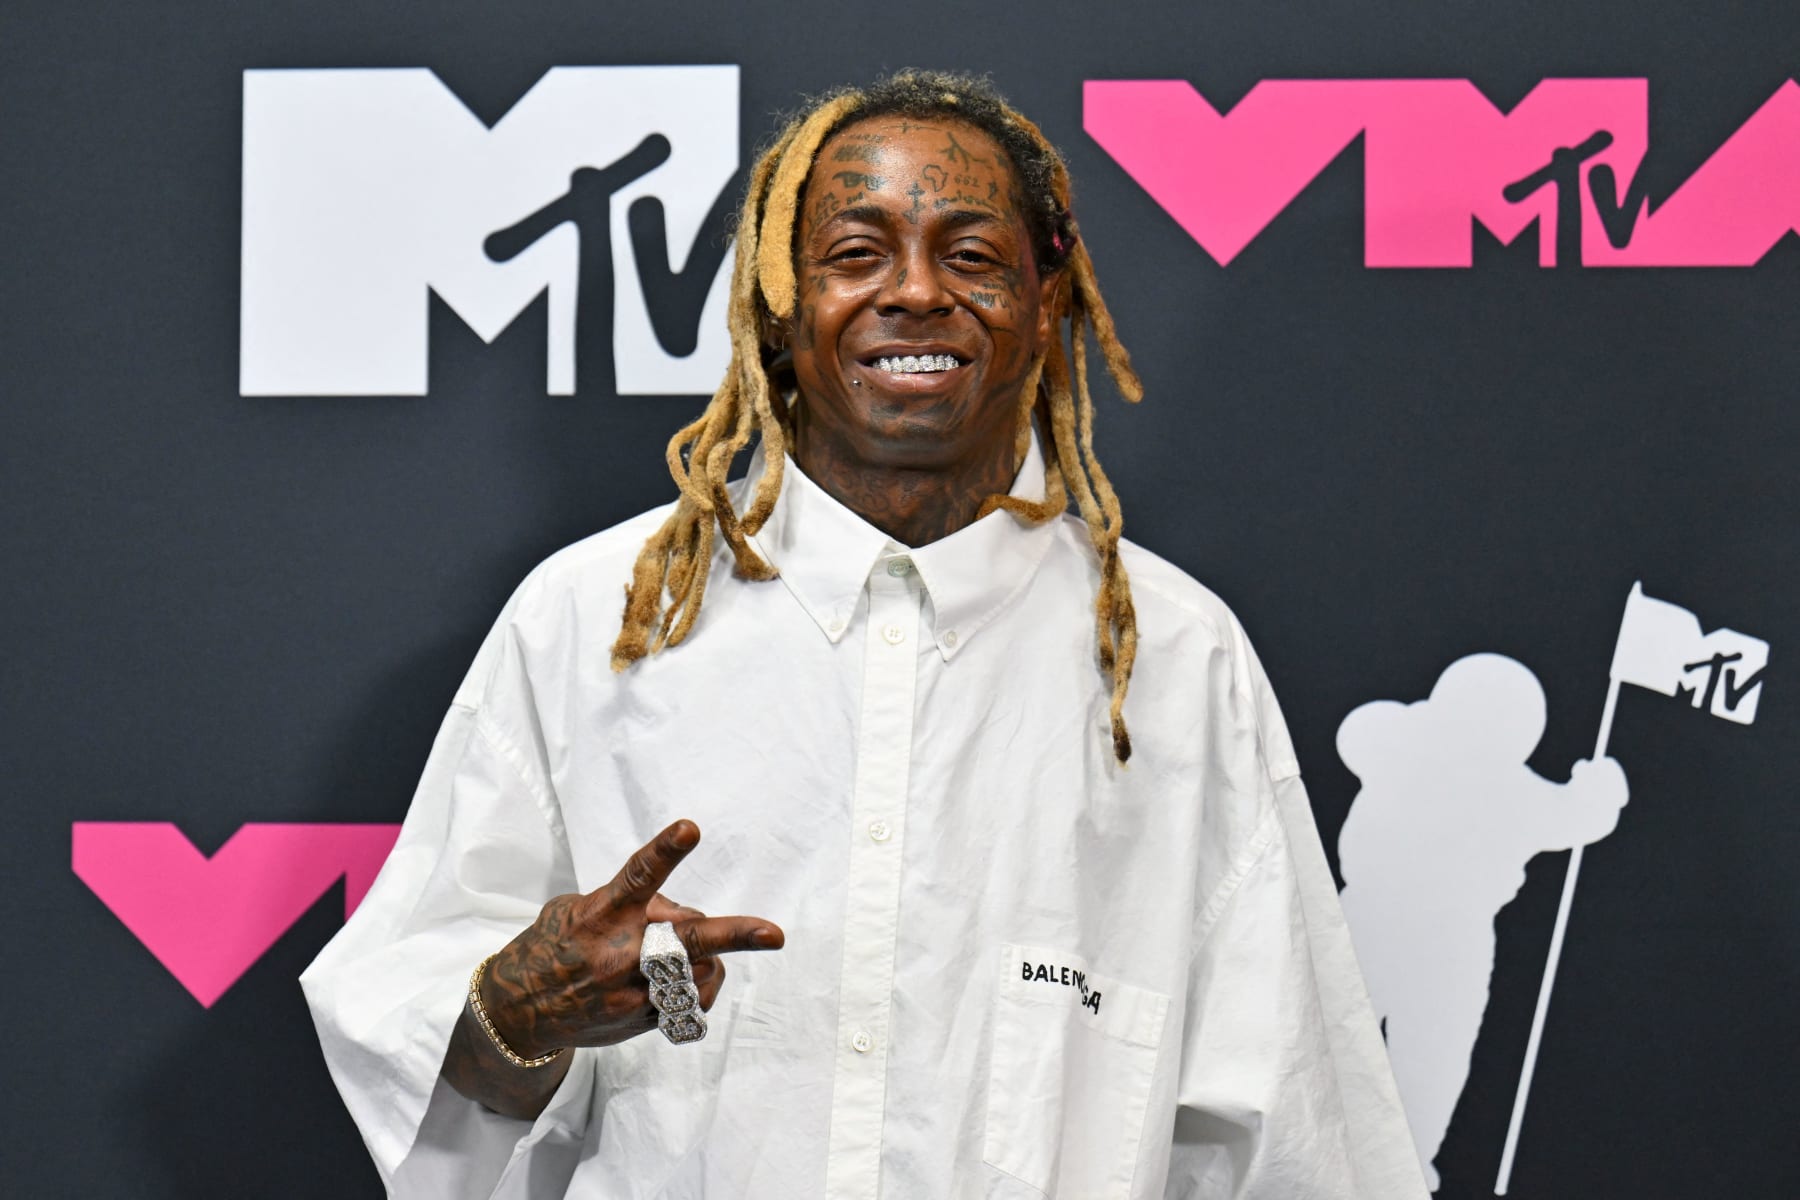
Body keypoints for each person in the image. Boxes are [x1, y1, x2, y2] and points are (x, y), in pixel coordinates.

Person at [302, 70, 1428, 1198]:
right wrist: (515, 1014)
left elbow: (1292, 1138)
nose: (917, 294)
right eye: (856, 255)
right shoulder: (597, 619)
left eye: (974, 256)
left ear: (1048, 305)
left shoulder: (1174, 659)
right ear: (779, 314)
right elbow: (428, 1060)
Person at [1336, 653, 1630, 1190]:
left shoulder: (1503, 785)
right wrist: (1598, 792)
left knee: (1428, 1056)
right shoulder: (1410, 745)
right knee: (1338, 1029)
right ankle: (1361, 1148)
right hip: (1380, 916)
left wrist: (1600, 792)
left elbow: (1576, 817)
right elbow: (1356, 735)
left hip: (1445, 935)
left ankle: (1402, 1162)